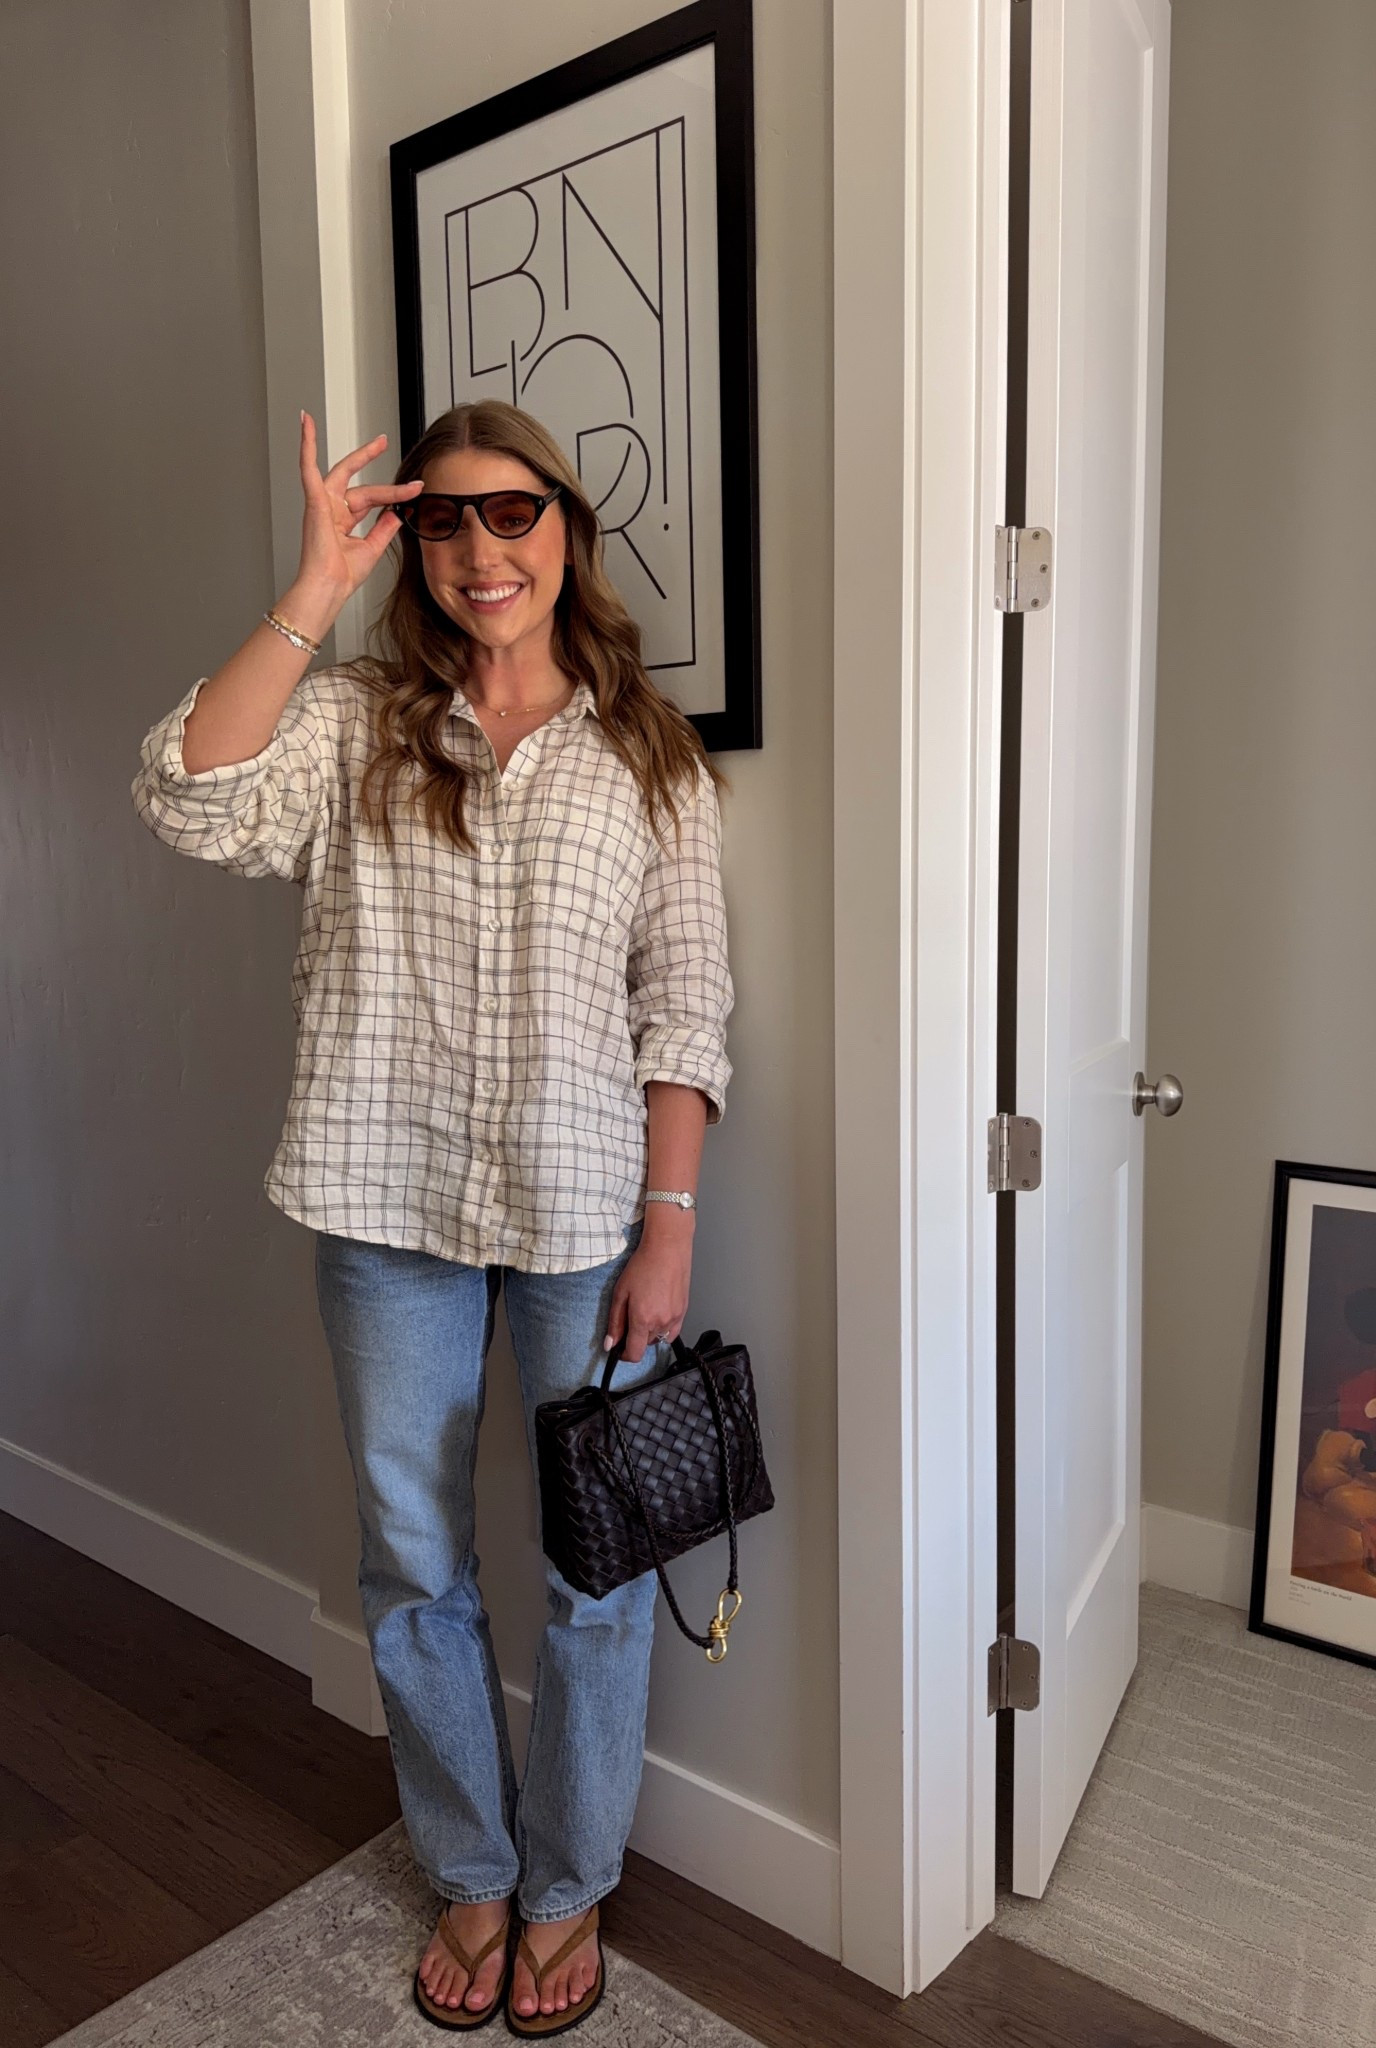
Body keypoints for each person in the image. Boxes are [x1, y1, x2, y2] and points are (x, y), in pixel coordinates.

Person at [131, 400, 733, 2034]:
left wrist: (670, 1224)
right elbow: (189, 791)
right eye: (449, 519)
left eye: (513, 513)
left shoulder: (650, 758)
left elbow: (684, 1007)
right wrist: (311, 587)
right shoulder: (353, 722)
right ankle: (472, 1868)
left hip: (585, 1210)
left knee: (599, 1565)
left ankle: (569, 1885)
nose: (482, 548)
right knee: (412, 1555)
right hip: (380, 1195)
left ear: (567, 532)